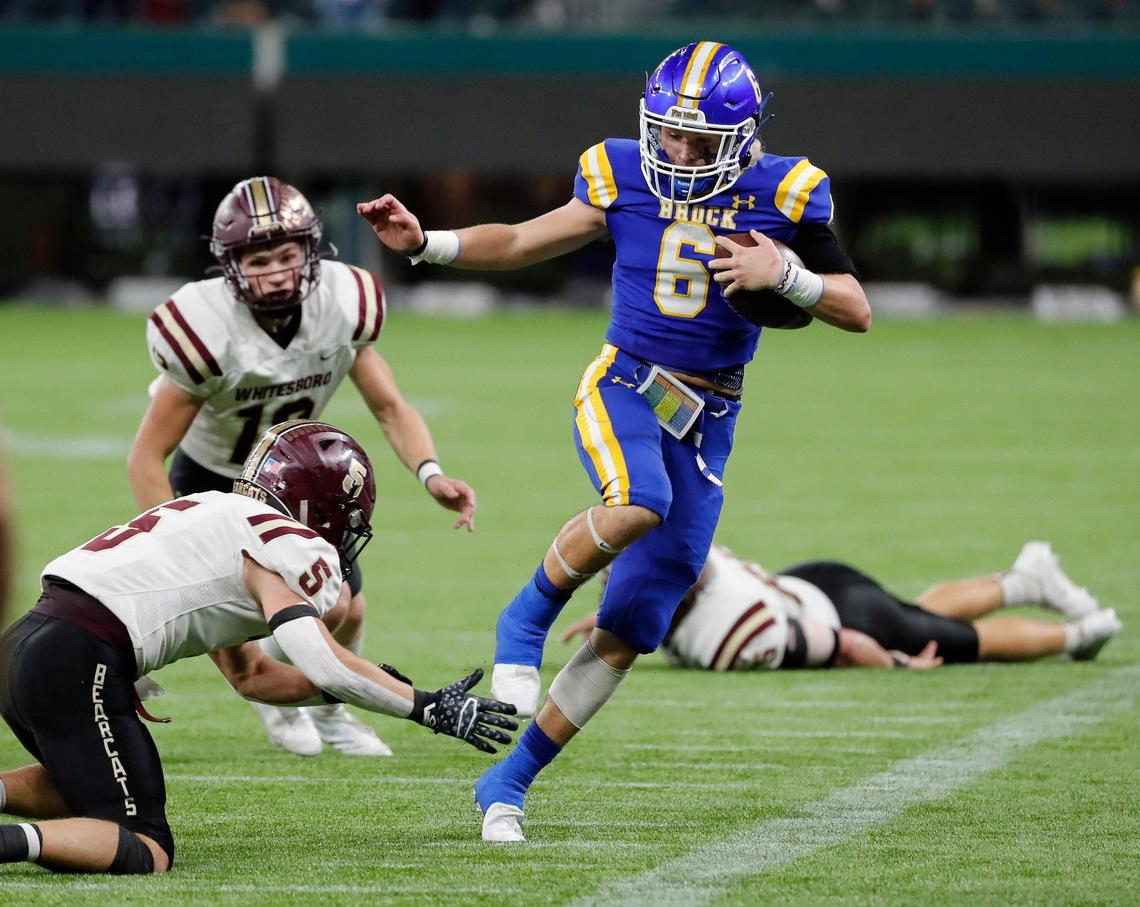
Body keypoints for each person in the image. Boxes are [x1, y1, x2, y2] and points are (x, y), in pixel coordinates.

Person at [358, 41, 872, 842]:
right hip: (625, 380)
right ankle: (522, 619)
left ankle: (509, 779)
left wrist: (791, 277)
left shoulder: (786, 192)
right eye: (668, 133)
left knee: (634, 622)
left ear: (742, 138)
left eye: (698, 141)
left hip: (710, 417)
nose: (678, 151)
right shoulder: (620, 172)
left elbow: (855, 307)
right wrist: (429, 243)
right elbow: (527, 241)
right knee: (638, 500)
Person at [0, 420, 516, 875]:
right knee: (146, 845)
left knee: (89, 789)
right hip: (78, 657)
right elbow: (325, 663)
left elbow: (253, 676)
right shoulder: (288, 542)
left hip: (26, 646)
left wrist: (374, 687)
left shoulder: (208, 508)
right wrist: (427, 707)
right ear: (319, 508)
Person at [128, 176, 478, 759]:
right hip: (214, 482)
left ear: (311, 253)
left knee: (346, 606)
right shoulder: (204, 328)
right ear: (230, 264)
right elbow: (146, 455)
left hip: (295, 484)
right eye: (259, 259)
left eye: (288, 255)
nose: (277, 272)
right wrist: (176, 542)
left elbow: (389, 406)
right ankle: (275, 700)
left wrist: (430, 472)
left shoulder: (343, 306)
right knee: (251, 626)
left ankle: (333, 708)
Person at [562, 541, 1123, 670]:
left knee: (951, 643)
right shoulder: (692, 551)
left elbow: (849, 646)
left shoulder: (728, 639)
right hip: (816, 582)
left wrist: (900, 665)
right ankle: (1024, 580)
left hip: (848, 618)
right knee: (919, 612)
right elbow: (660, 583)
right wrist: (615, 619)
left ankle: (1080, 635)